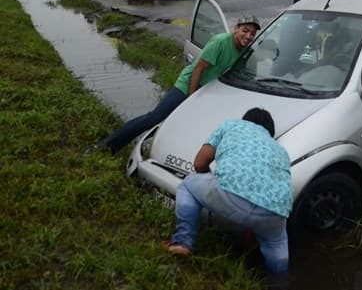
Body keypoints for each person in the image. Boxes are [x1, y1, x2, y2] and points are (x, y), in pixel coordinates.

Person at [92, 15, 261, 153]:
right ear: (236, 29)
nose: (248, 36)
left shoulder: (245, 50)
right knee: (154, 118)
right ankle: (106, 147)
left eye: (252, 34)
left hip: (207, 91)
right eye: (245, 30)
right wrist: (192, 96)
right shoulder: (220, 42)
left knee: (189, 126)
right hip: (187, 86)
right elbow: (198, 69)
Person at [166, 108, 293, 275]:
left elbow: (199, 163)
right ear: (270, 132)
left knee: (188, 184)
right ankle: (279, 281)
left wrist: (211, 190)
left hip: (230, 190)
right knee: (276, 245)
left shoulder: (232, 125)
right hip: (276, 210)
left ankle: (183, 242)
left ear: (245, 120)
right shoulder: (280, 150)